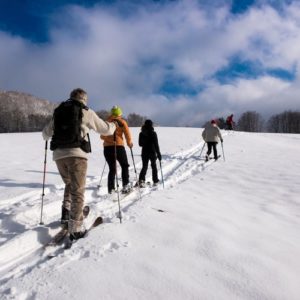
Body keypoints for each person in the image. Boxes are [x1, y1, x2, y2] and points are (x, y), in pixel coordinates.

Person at [42, 88, 116, 240]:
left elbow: (45, 134)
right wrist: (114, 125)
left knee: (69, 183)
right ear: (84, 99)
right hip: (76, 155)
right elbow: (105, 129)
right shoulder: (85, 111)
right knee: (78, 191)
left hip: (58, 156)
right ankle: (75, 227)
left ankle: (66, 213)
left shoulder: (59, 111)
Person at [100, 105, 133, 194]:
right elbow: (127, 134)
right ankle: (125, 185)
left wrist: (108, 138)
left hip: (107, 148)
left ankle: (111, 189)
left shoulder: (106, 122)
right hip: (118, 146)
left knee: (112, 169)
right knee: (124, 165)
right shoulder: (122, 122)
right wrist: (129, 143)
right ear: (119, 114)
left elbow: (102, 136)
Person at [138, 119, 162, 187]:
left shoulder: (141, 133)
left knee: (144, 166)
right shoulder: (153, 133)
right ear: (151, 125)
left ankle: (141, 180)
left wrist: (145, 142)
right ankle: (155, 180)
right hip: (152, 152)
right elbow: (156, 144)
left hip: (144, 152)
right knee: (154, 166)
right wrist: (159, 154)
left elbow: (140, 144)